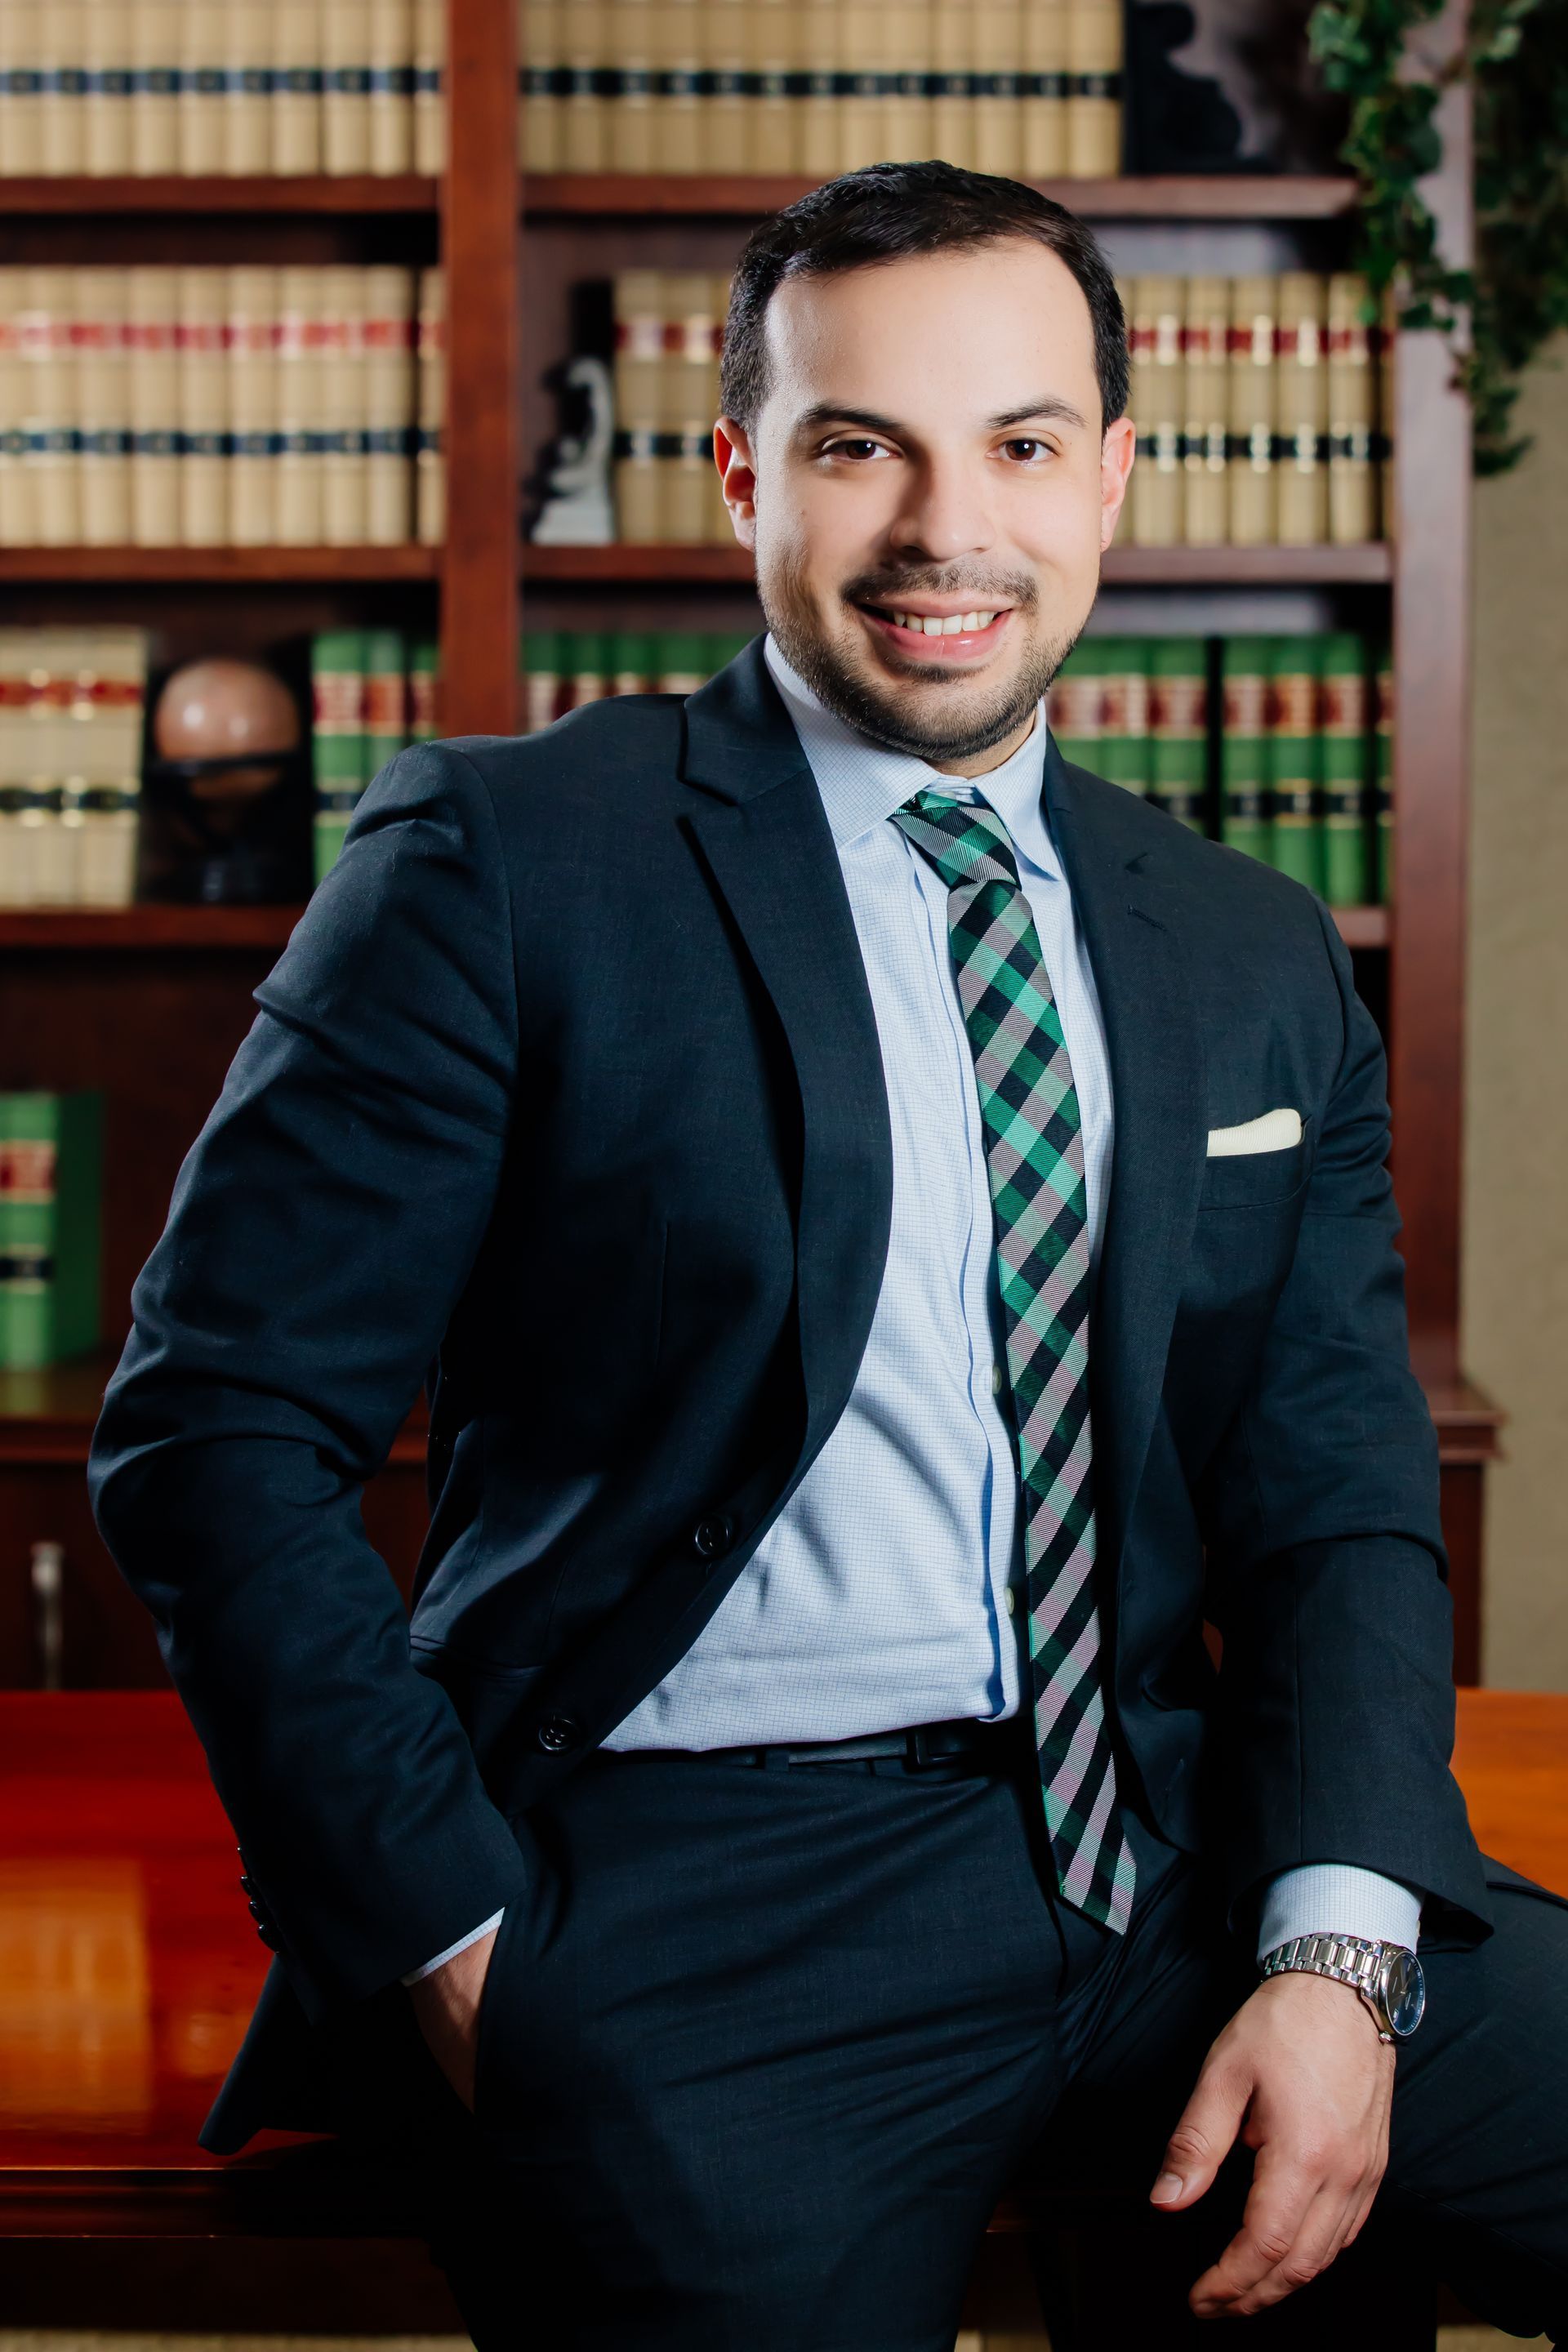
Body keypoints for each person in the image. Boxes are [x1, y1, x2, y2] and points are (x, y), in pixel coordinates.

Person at [88, 162, 1567, 2350]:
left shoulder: (1250, 952)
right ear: (740, 475)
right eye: (860, 444)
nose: (942, 528)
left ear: (1115, 478)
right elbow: (216, 1431)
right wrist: (467, 1951)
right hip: (694, 1908)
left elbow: (1340, 1502)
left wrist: (1339, 1946)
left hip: (1173, 1850)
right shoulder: (505, 860)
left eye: (1020, 445)